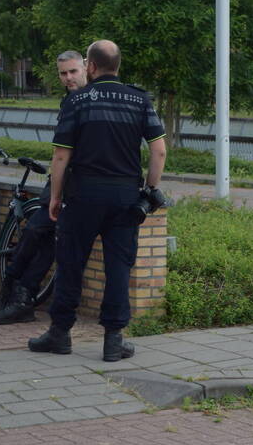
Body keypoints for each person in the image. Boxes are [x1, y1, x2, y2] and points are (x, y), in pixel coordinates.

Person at [28, 40, 167, 362]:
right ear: (118, 65)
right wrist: (149, 189)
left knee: (71, 263)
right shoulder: (139, 99)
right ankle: (113, 341)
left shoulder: (77, 101)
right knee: (118, 268)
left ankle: (60, 334)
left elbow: (62, 155)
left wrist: (56, 196)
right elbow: (159, 150)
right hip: (125, 197)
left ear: (90, 66)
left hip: (83, 196)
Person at [0, 50, 88, 325]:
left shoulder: (90, 99)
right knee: (36, 233)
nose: (68, 77)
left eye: (73, 71)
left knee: (44, 236)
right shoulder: (68, 99)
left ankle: (20, 297)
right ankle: (13, 292)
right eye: (63, 73)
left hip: (78, 185)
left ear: (86, 68)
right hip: (61, 181)